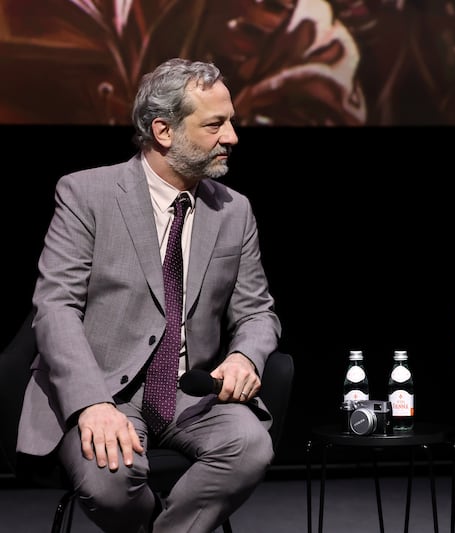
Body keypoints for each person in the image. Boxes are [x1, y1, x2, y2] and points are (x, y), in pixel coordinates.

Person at [16, 58, 282, 533]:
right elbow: (55, 308)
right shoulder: (86, 193)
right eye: (215, 125)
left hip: (188, 393)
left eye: (232, 122)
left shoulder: (234, 210)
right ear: (163, 130)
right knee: (111, 478)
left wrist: (245, 355)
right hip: (104, 391)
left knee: (250, 446)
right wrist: (91, 404)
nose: (233, 137)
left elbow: (257, 311)